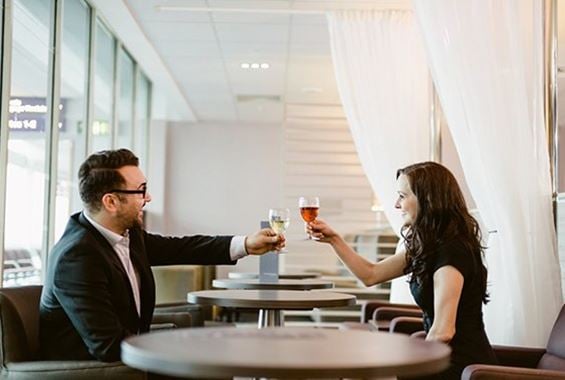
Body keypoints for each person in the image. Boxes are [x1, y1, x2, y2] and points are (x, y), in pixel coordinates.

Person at [40, 149, 284, 362]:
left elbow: (183, 247)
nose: (148, 198)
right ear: (111, 201)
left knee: (218, 355)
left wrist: (247, 244)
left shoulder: (128, 235)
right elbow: (108, 346)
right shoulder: (77, 257)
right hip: (96, 371)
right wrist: (179, 347)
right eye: (141, 190)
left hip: (129, 356)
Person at [307, 161, 497, 379]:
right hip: (439, 360)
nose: (397, 205)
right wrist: (334, 240)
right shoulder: (429, 246)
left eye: (402, 196)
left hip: (459, 367)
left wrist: (404, 363)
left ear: (427, 199)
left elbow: (444, 331)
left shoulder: (452, 252)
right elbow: (371, 274)